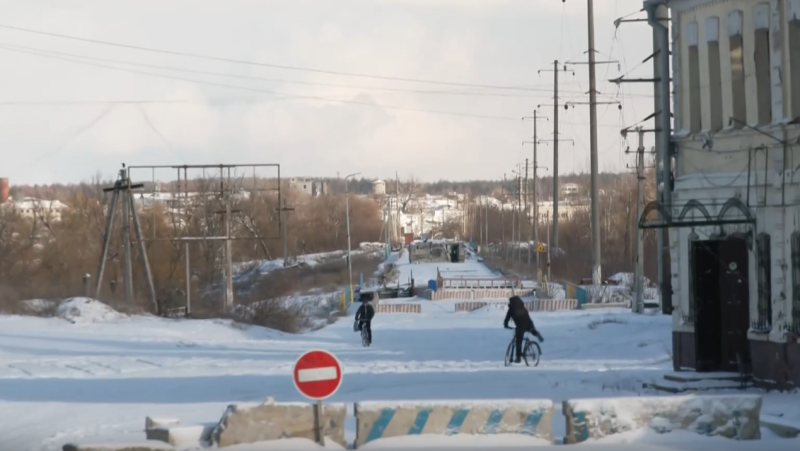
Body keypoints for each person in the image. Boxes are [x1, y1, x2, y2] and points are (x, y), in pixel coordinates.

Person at [503, 295, 544, 363]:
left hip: (520, 326)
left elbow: (507, 319)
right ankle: (536, 333)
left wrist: (506, 325)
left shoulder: (511, 309)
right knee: (531, 330)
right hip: (529, 323)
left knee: (518, 341)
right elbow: (527, 316)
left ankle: (518, 357)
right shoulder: (522, 307)